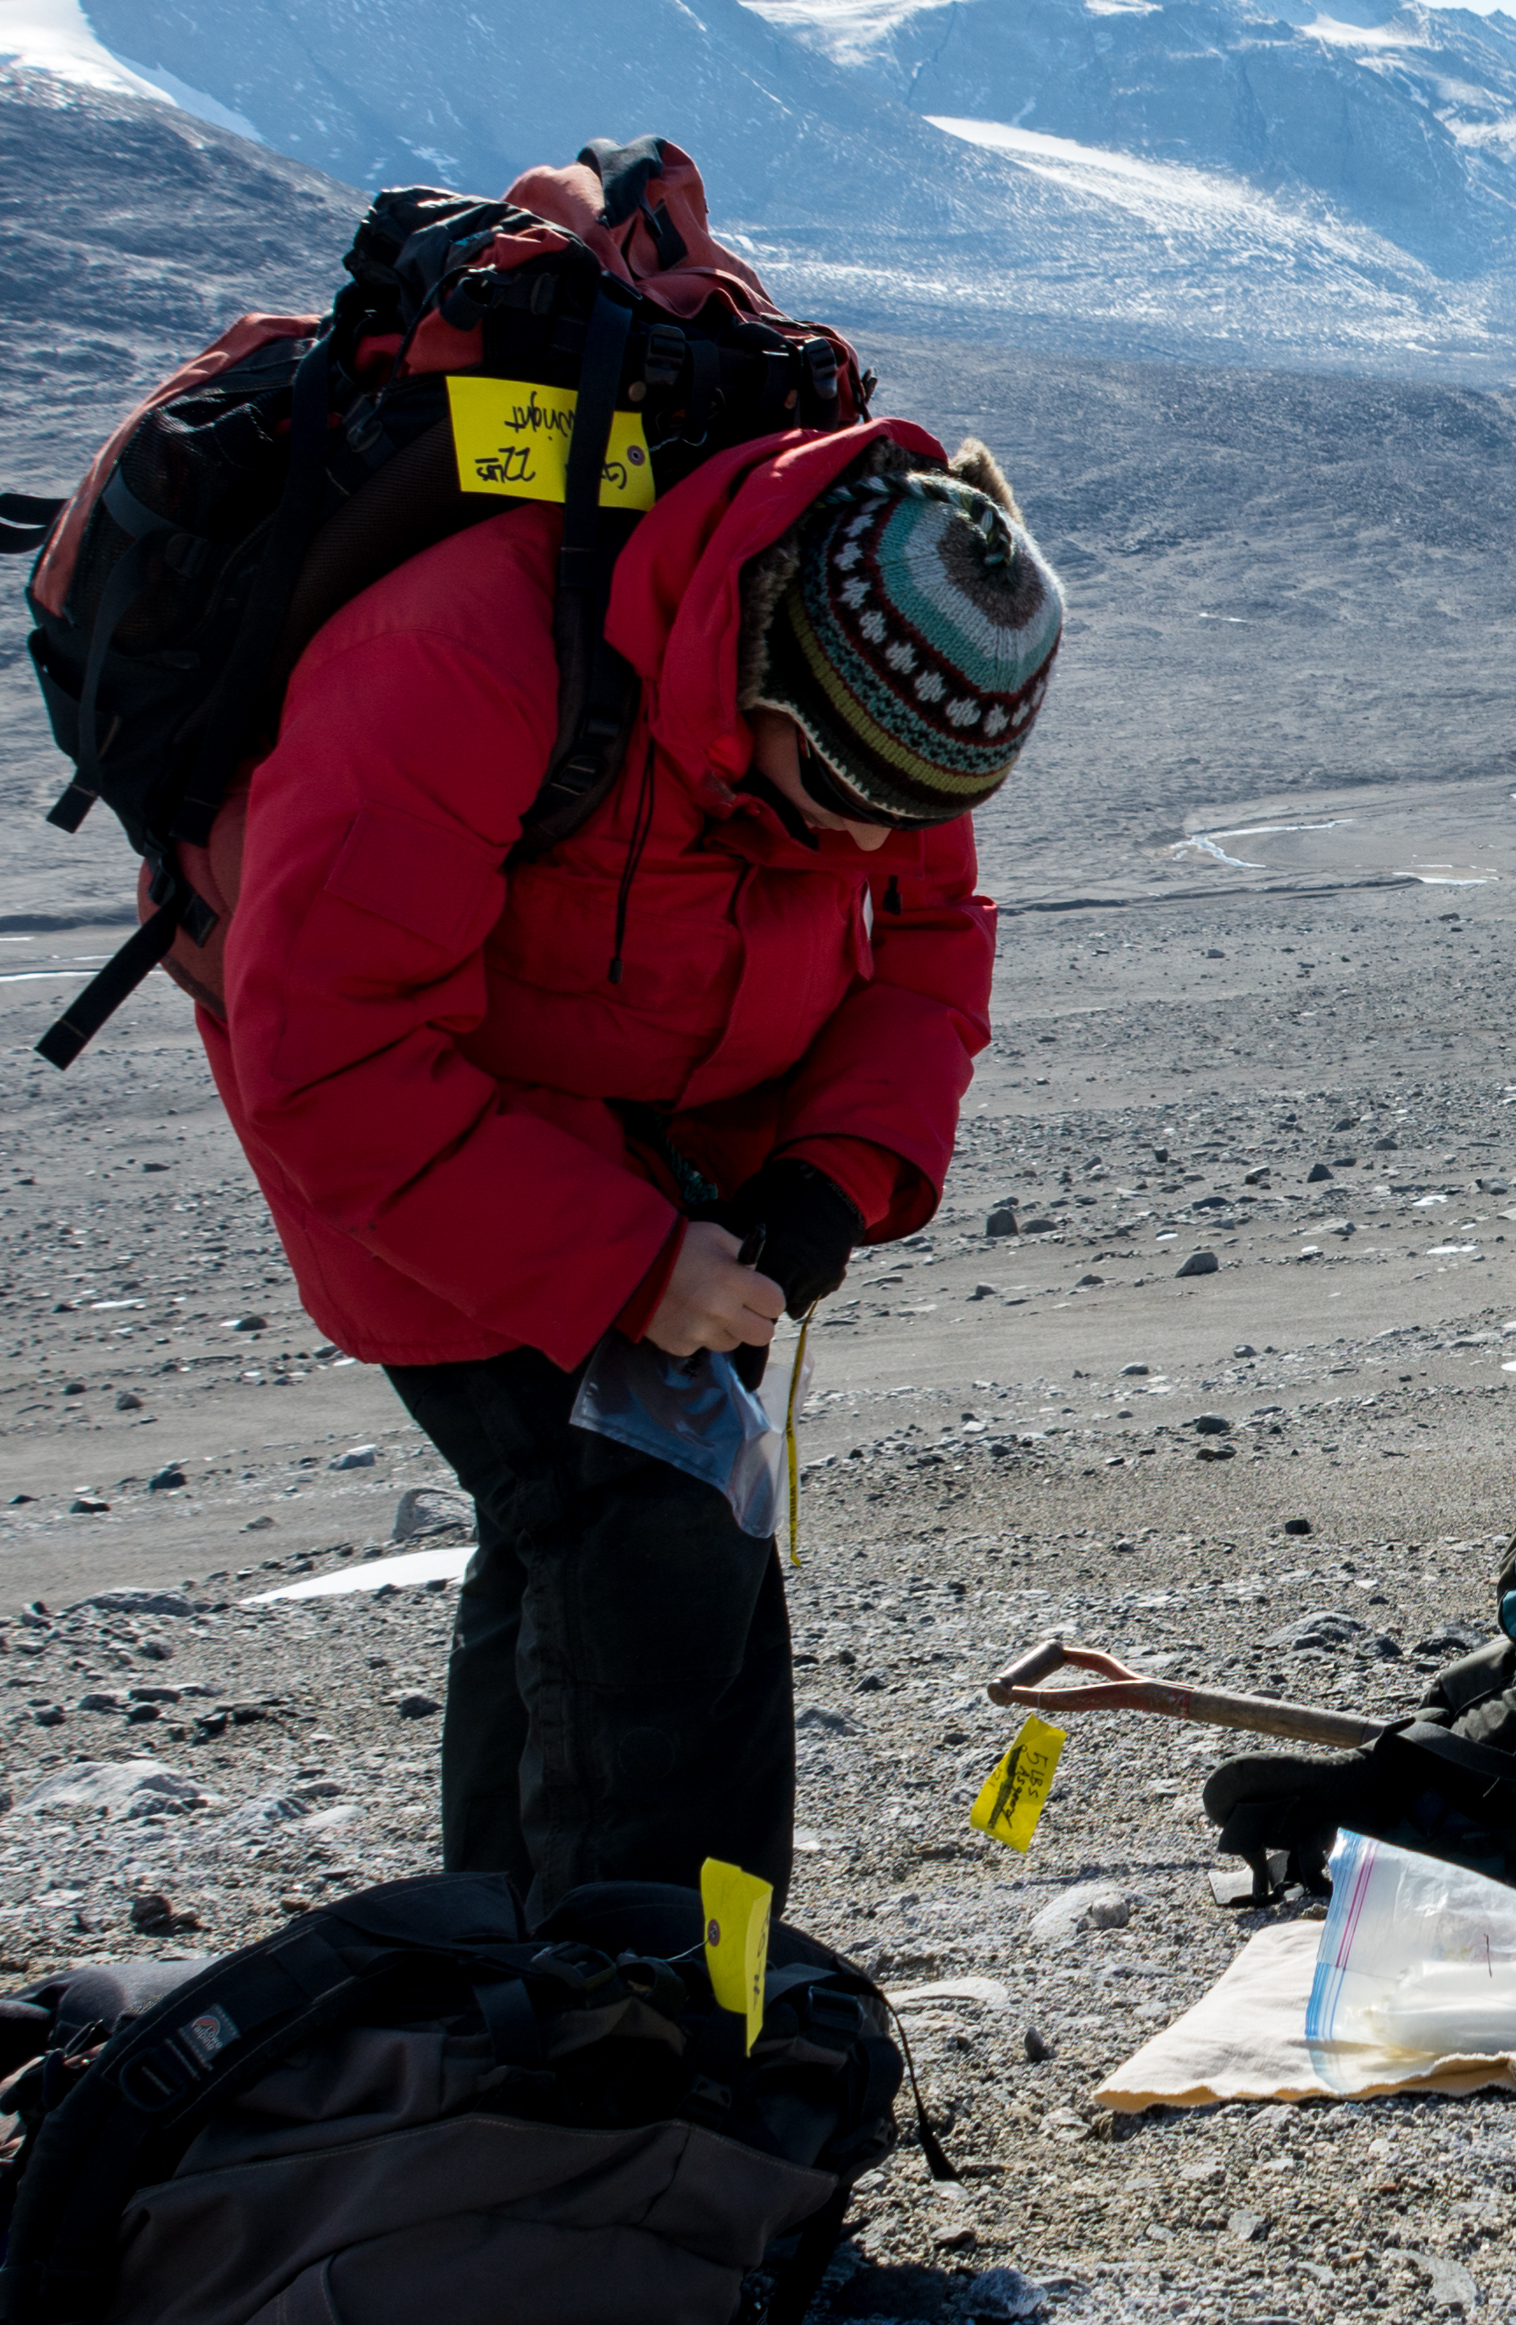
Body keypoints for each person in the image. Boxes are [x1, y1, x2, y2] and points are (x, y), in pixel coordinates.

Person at [186, 245, 1065, 1915]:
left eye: (915, 803)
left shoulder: (891, 668)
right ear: (757, 667)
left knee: (610, 1529)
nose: (878, 840)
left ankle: (543, 2007)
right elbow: (333, 1047)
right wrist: (627, 1262)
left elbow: (930, 942)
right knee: (646, 1523)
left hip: (650, 1129)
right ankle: (616, 2040)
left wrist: (830, 1172)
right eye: (846, 797)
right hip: (426, 1133)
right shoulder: (460, 664)